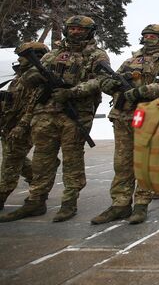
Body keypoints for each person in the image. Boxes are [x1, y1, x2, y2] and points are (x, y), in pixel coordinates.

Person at [0, 16, 109, 223]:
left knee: (72, 158)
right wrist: (35, 77)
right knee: (42, 158)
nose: (75, 32)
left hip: (74, 113)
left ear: (89, 32)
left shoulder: (96, 54)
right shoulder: (53, 54)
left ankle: (69, 202)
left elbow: (101, 80)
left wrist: (72, 92)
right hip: (46, 112)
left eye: (80, 29)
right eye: (72, 28)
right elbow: (30, 77)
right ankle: (35, 201)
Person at [92, 24, 159, 225]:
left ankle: (141, 205)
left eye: (153, 36)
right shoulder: (131, 60)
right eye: (146, 35)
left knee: (144, 163)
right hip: (122, 116)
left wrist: (141, 92)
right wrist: (109, 85)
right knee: (121, 163)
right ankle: (120, 204)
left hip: (148, 116)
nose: (148, 39)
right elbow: (111, 79)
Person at [0, 42, 49, 210]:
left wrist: (21, 126)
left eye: (23, 56)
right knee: (16, 158)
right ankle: (39, 183)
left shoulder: (36, 77)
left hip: (23, 126)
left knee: (11, 161)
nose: (19, 59)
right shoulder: (21, 75)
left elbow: (33, 105)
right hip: (9, 125)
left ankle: (2, 195)